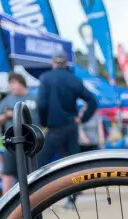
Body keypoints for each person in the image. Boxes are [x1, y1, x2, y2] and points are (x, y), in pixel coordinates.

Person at [37, 50, 98, 208]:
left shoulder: (46, 78)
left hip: (54, 127)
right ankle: (71, 200)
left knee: (40, 164)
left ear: (52, 63)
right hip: (71, 127)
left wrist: (43, 122)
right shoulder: (73, 79)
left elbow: (41, 104)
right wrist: (82, 119)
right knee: (72, 166)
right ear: (65, 64)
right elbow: (92, 101)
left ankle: (35, 199)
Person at [0, 73, 39, 194]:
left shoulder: (35, 97)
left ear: (22, 83)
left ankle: (34, 198)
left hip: (31, 142)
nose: (13, 87)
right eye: (11, 85)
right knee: (8, 172)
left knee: (32, 172)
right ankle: (5, 202)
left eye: (15, 84)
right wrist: (6, 116)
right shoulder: (7, 100)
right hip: (13, 142)